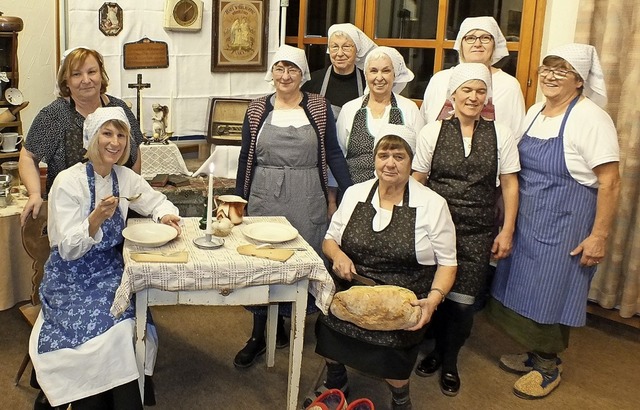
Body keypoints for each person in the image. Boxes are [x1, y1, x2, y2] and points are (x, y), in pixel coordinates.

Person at [488, 43, 620, 399]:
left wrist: (599, 236)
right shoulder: (535, 111)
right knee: (525, 287)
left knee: (551, 293)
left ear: (579, 80)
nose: (550, 75)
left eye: (561, 70)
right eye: (547, 68)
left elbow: (610, 181)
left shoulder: (591, 118)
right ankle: (535, 354)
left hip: (565, 224)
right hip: (530, 220)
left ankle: (548, 367)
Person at [29, 107, 181, 409]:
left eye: (121, 135)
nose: (115, 142)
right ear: (92, 138)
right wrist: (95, 219)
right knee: (102, 332)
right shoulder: (67, 182)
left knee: (125, 324)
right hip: (69, 273)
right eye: (107, 134)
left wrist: (166, 216)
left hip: (109, 268)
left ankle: (122, 402)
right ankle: (89, 400)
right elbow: (67, 248)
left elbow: (157, 201)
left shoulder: (124, 178)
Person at [307, 124, 457, 410]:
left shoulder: (432, 204)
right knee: (328, 330)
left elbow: (448, 263)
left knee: (392, 354)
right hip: (355, 289)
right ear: (374, 159)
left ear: (411, 162)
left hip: (402, 297)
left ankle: (401, 399)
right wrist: (338, 256)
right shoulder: (355, 193)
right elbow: (329, 240)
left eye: (399, 156)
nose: (390, 163)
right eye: (383, 155)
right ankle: (337, 381)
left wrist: (434, 300)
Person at [233, 45, 353, 368]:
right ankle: (259, 334)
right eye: (280, 69)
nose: (285, 76)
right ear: (271, 73)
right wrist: (236, 201)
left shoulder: (318, 106)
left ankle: (293, 326)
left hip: (306, 194)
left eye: (293, 70)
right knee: (261, 261)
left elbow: (333, 153)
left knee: (302, 259)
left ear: (303, 75)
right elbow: (246, 157)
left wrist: (354, 193)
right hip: (264, 194)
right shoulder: (257, 109)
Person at [412, 63, 520, 396]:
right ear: (453, 94)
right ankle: (434, 351)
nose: (473, 97)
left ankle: (449, 360)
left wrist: (507, 231)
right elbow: (417, 181)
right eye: (467, 90)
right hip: (436, 226)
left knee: (462, 302)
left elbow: (510, 186)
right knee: (436, 296)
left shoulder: (501, 134)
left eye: (480, 91)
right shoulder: (432, 131)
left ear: (487, 96)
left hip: (478, 229)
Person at [19, 47, 144, 226]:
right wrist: (34, 194)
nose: (86, 80)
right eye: (77, 74)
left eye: (92, 72)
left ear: (101, 75)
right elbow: (28, 156)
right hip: (72, 216)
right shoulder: (54, 115)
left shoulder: (118, 108)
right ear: (66, 81)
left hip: (116, 212)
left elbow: (135, 151)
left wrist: (128, 194)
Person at [335, 46, 424, 187]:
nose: (379, 77)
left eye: (386, 71)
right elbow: (338, 155)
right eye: (373, 71)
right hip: (353, 192)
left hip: (398, 192)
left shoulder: (409, 108)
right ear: (366, 75)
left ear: (395, 75)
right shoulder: (350, 109)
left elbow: (419, 158)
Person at [420, 16, 525, 135]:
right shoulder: (439, 80)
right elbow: (424, 125)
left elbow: (517, 133)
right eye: (470, 38)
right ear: (461, 44)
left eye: (485, 38)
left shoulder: (509, 86)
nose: (477, 44)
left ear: (494, 45)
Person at [301, 23, 377, 119]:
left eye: (346, 47)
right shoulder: (312, 82)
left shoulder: (367, 82)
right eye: (335, 47)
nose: (340, 53)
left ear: (357, 50)